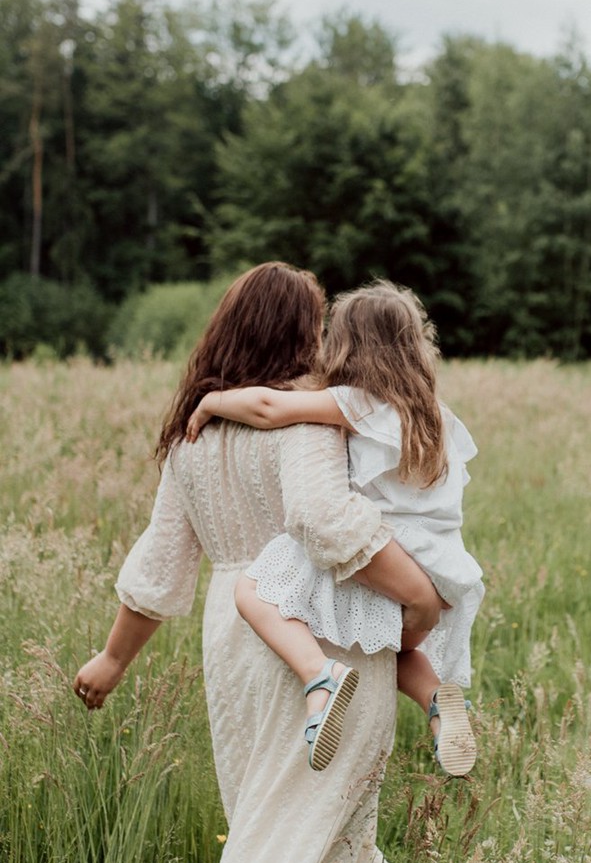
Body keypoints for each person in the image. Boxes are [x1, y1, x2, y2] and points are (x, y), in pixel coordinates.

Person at [72, 262, 445, 863]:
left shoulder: (195, 432)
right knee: (311, 814)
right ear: (297, 332)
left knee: (270, 807)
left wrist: (114, 657)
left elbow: (161, 561)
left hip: (236, 630)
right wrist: (417, 594)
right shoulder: (307, 415)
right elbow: (319, 519)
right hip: (321, 624)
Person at [185, 280, 482, 778]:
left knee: (254, 590)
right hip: (443, 566)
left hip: (389, 552)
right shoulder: (436, 416)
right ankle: (437, 699)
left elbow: (268, 409)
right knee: (394, 646)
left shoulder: (361, 403)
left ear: (347, 345)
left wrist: (212, 401)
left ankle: (318, 677)